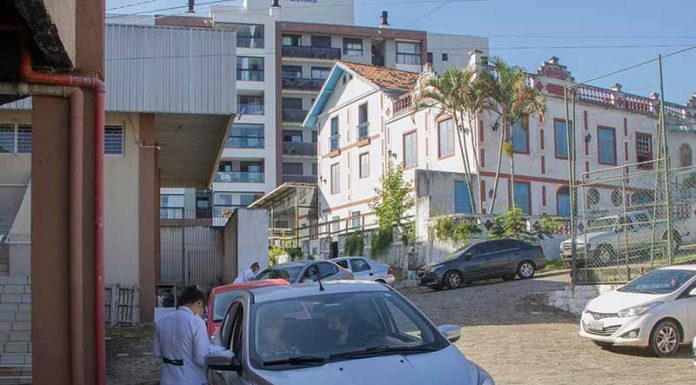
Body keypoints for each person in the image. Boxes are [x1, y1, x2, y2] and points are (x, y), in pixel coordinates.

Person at [154, 286, 218, 385]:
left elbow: (157, 353)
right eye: (203, 309)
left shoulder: (161, 321)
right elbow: (201, 358)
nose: (202, 313)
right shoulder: (197, 322)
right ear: (199, 303)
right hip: (192, 380)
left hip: (167, 380)